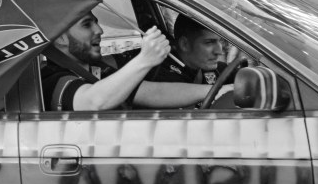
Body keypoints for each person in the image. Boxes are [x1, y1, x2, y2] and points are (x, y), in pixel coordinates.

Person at [41, 11, 232, 111]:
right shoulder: (51, 78)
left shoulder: (100, 69)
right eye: (86, 24)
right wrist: (144, 60)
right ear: (60, 38)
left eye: (96, 22)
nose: (99, 30)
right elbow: (93, 101)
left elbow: (153, 92)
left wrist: (218, 90)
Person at [148, 15, 234, 85]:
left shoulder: (210, 67)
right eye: (209, 42)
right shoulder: (165, 76)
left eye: (220, 41)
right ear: (184, 44)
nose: (219, 51)